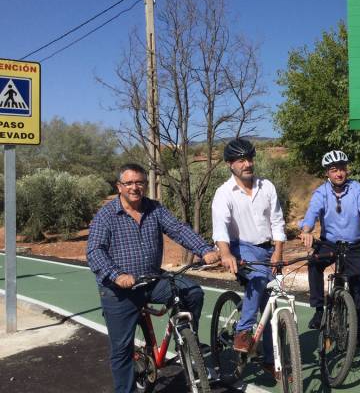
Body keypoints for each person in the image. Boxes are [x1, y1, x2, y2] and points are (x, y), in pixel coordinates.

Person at [87, 163, 219, 393]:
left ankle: (188, 345)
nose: (135, 187)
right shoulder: (106, 215)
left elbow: (178, 229)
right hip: (119, 289)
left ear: (145, 185)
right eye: (129, 183)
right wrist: (116, 275)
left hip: (152, 279)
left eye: (139, 182)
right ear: (119, 186)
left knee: (192, 292)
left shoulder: (154, 209)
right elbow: (95, 251)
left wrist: (204, 249)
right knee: (121, 350)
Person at [212, 138, 287, 379]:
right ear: (230, 164)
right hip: (241, 248)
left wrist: (278, 251)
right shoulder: (224, 193)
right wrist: (225, 253)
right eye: (241, 160)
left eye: (250, 159)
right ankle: (243, 332)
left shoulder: (267, 187)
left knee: (272, 305)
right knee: (258, 278)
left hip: (267, 249)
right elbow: (220, 228)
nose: (247, 164)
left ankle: (271, 360)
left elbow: (277, 221)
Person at [299, 150, 360, 363]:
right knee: (314, 263)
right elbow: (311, 215)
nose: (339, 173)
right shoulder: (321, 192)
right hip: (329, 244)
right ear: (328, 172)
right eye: (334, 170)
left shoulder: (357, 189)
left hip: (354, 246)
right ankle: (318, 309)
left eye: (342, 169)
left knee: (359, 296)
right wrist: (306, 231)